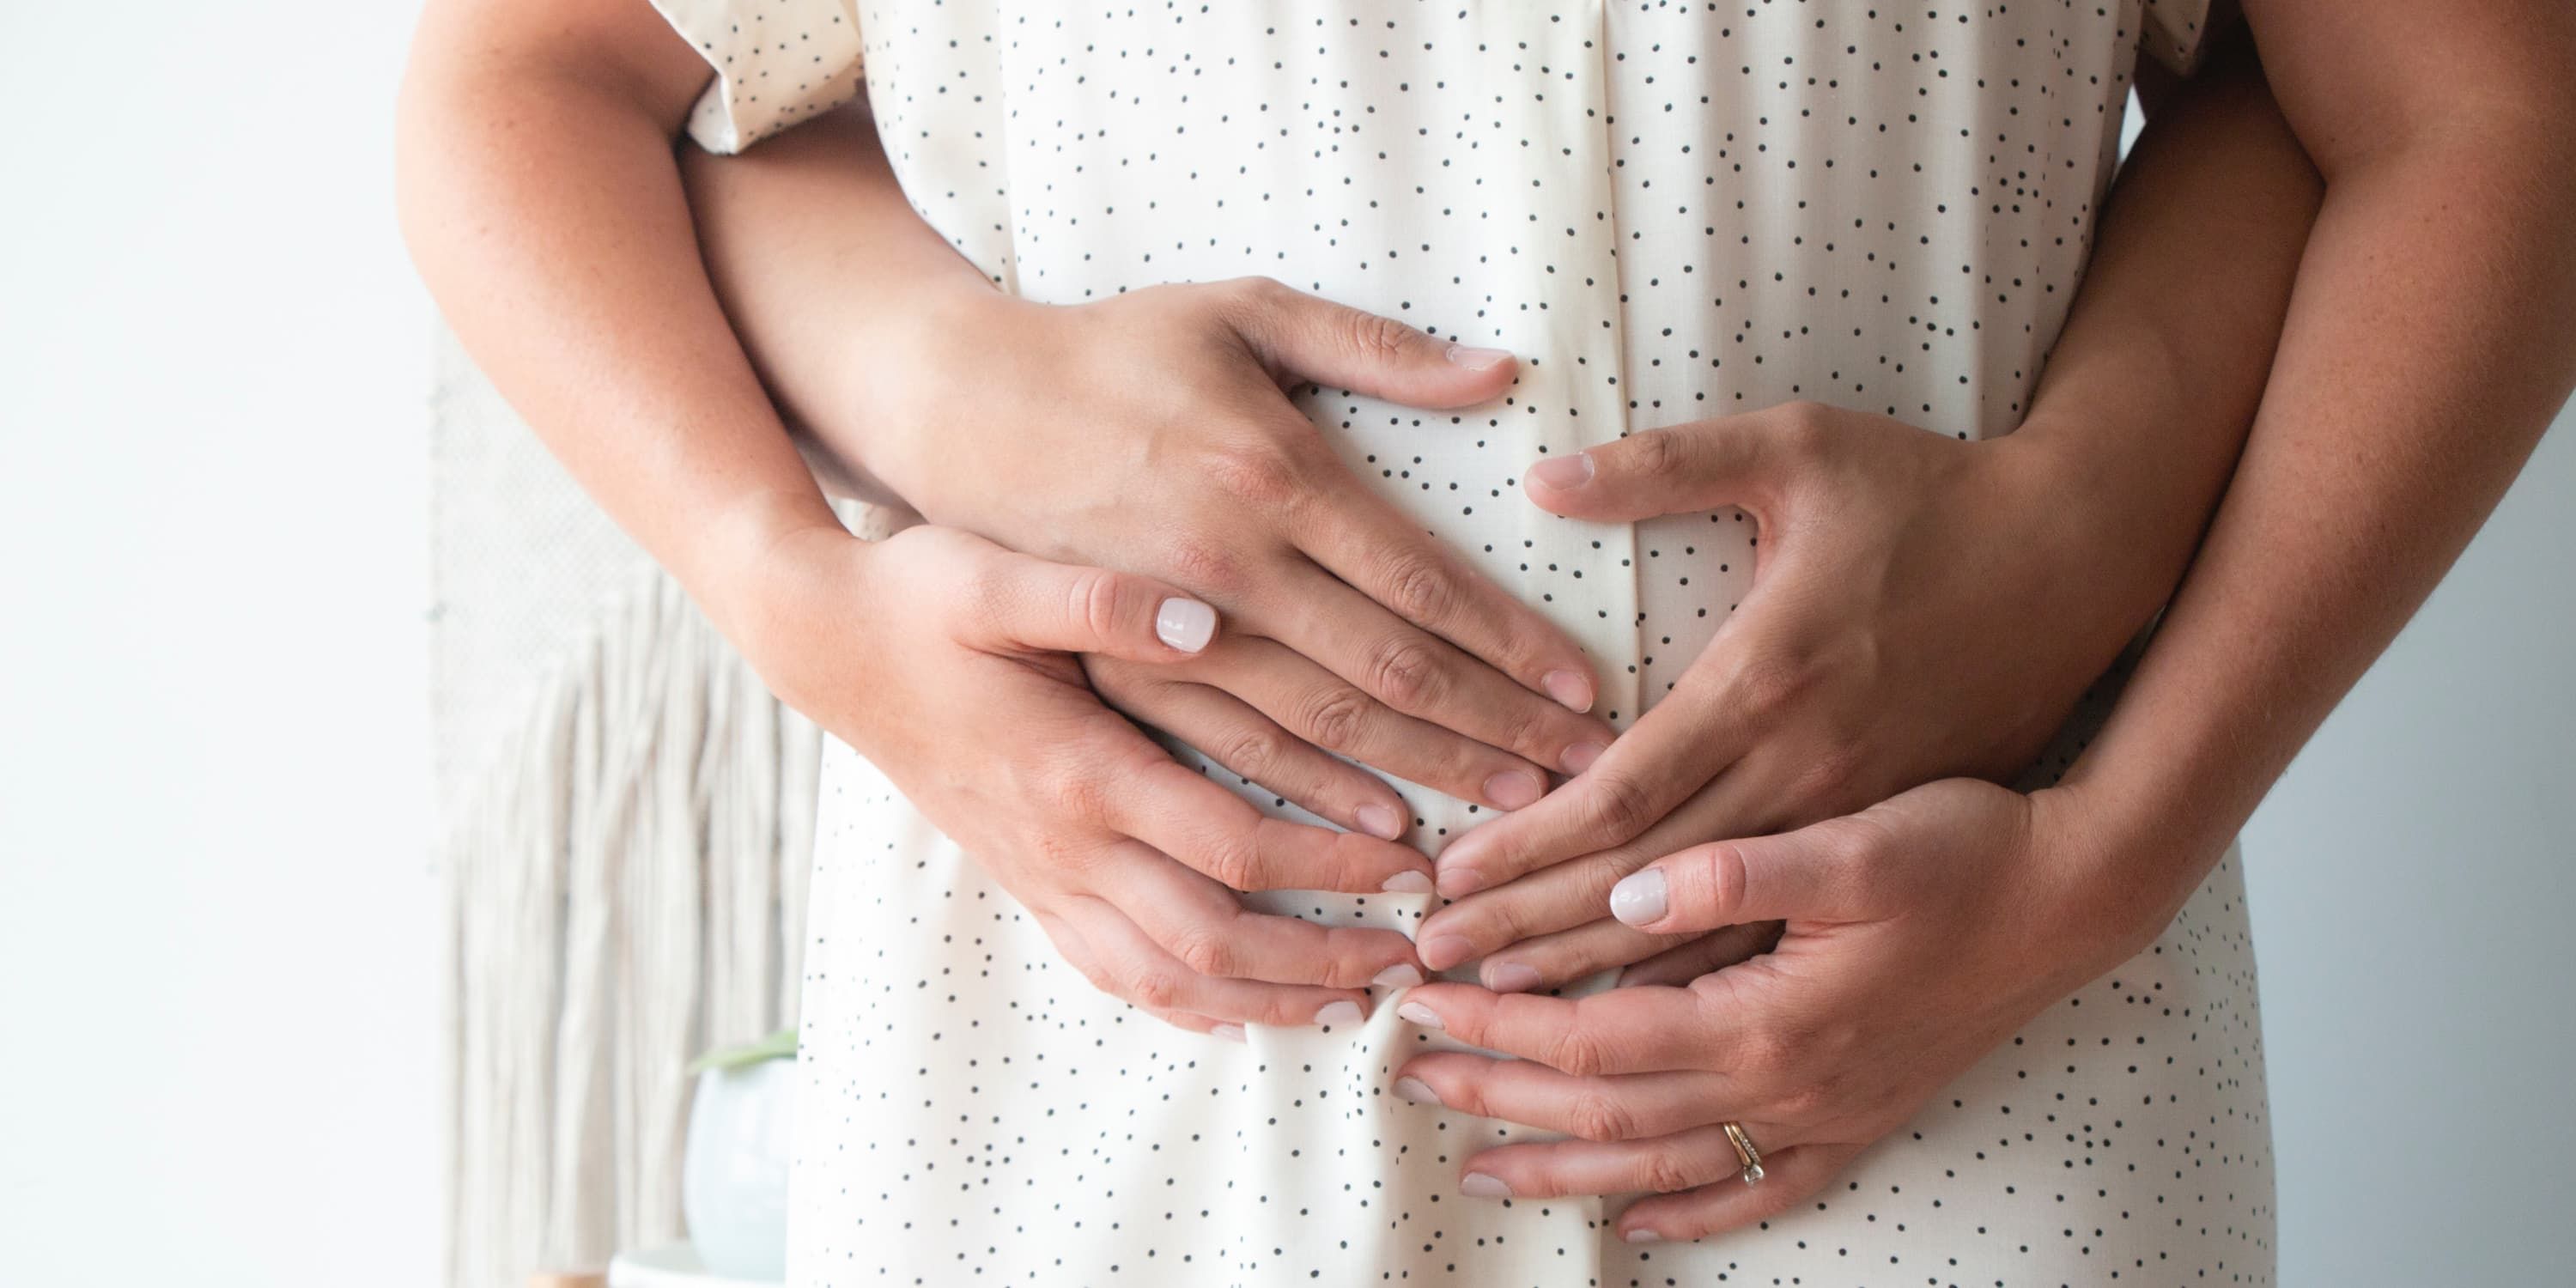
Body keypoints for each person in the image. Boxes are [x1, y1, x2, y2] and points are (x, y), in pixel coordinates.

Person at [394, 1, 2576, 1282]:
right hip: (1110, 1077)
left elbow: (2457, 100)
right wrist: (813, 602)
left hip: (1954, 1046)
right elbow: (549, 72)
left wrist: (2110, 846)